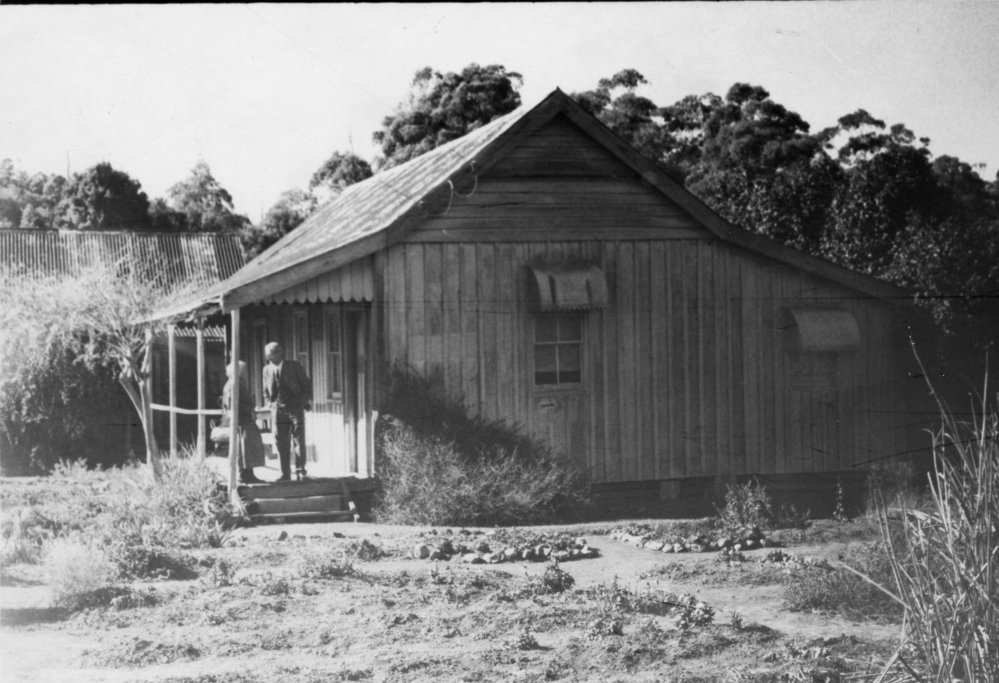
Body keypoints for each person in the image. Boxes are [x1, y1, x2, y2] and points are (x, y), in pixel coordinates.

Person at [262, 342, 312, 481]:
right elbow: (265, 391)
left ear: (280, 353)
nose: (269, 358)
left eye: (271, 354)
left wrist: (301, 403)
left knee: (298, 440)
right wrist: (271, 404)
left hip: (295, 409)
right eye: (267, 355)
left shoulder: (294, 366)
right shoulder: (266, 370)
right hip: (278, 411)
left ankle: (300, 471)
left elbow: (307, 386)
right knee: (281, 442)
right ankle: (284, 473)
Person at [222, 360, 266, 484]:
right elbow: (232, 404)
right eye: (243, 370)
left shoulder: (239, 383)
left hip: (245, 419)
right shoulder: (233, 384)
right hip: (241, 420)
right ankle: (244, 475)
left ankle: (249, 474)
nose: (246, 373)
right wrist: (248, 410)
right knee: (243, 448)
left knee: (247, 448)